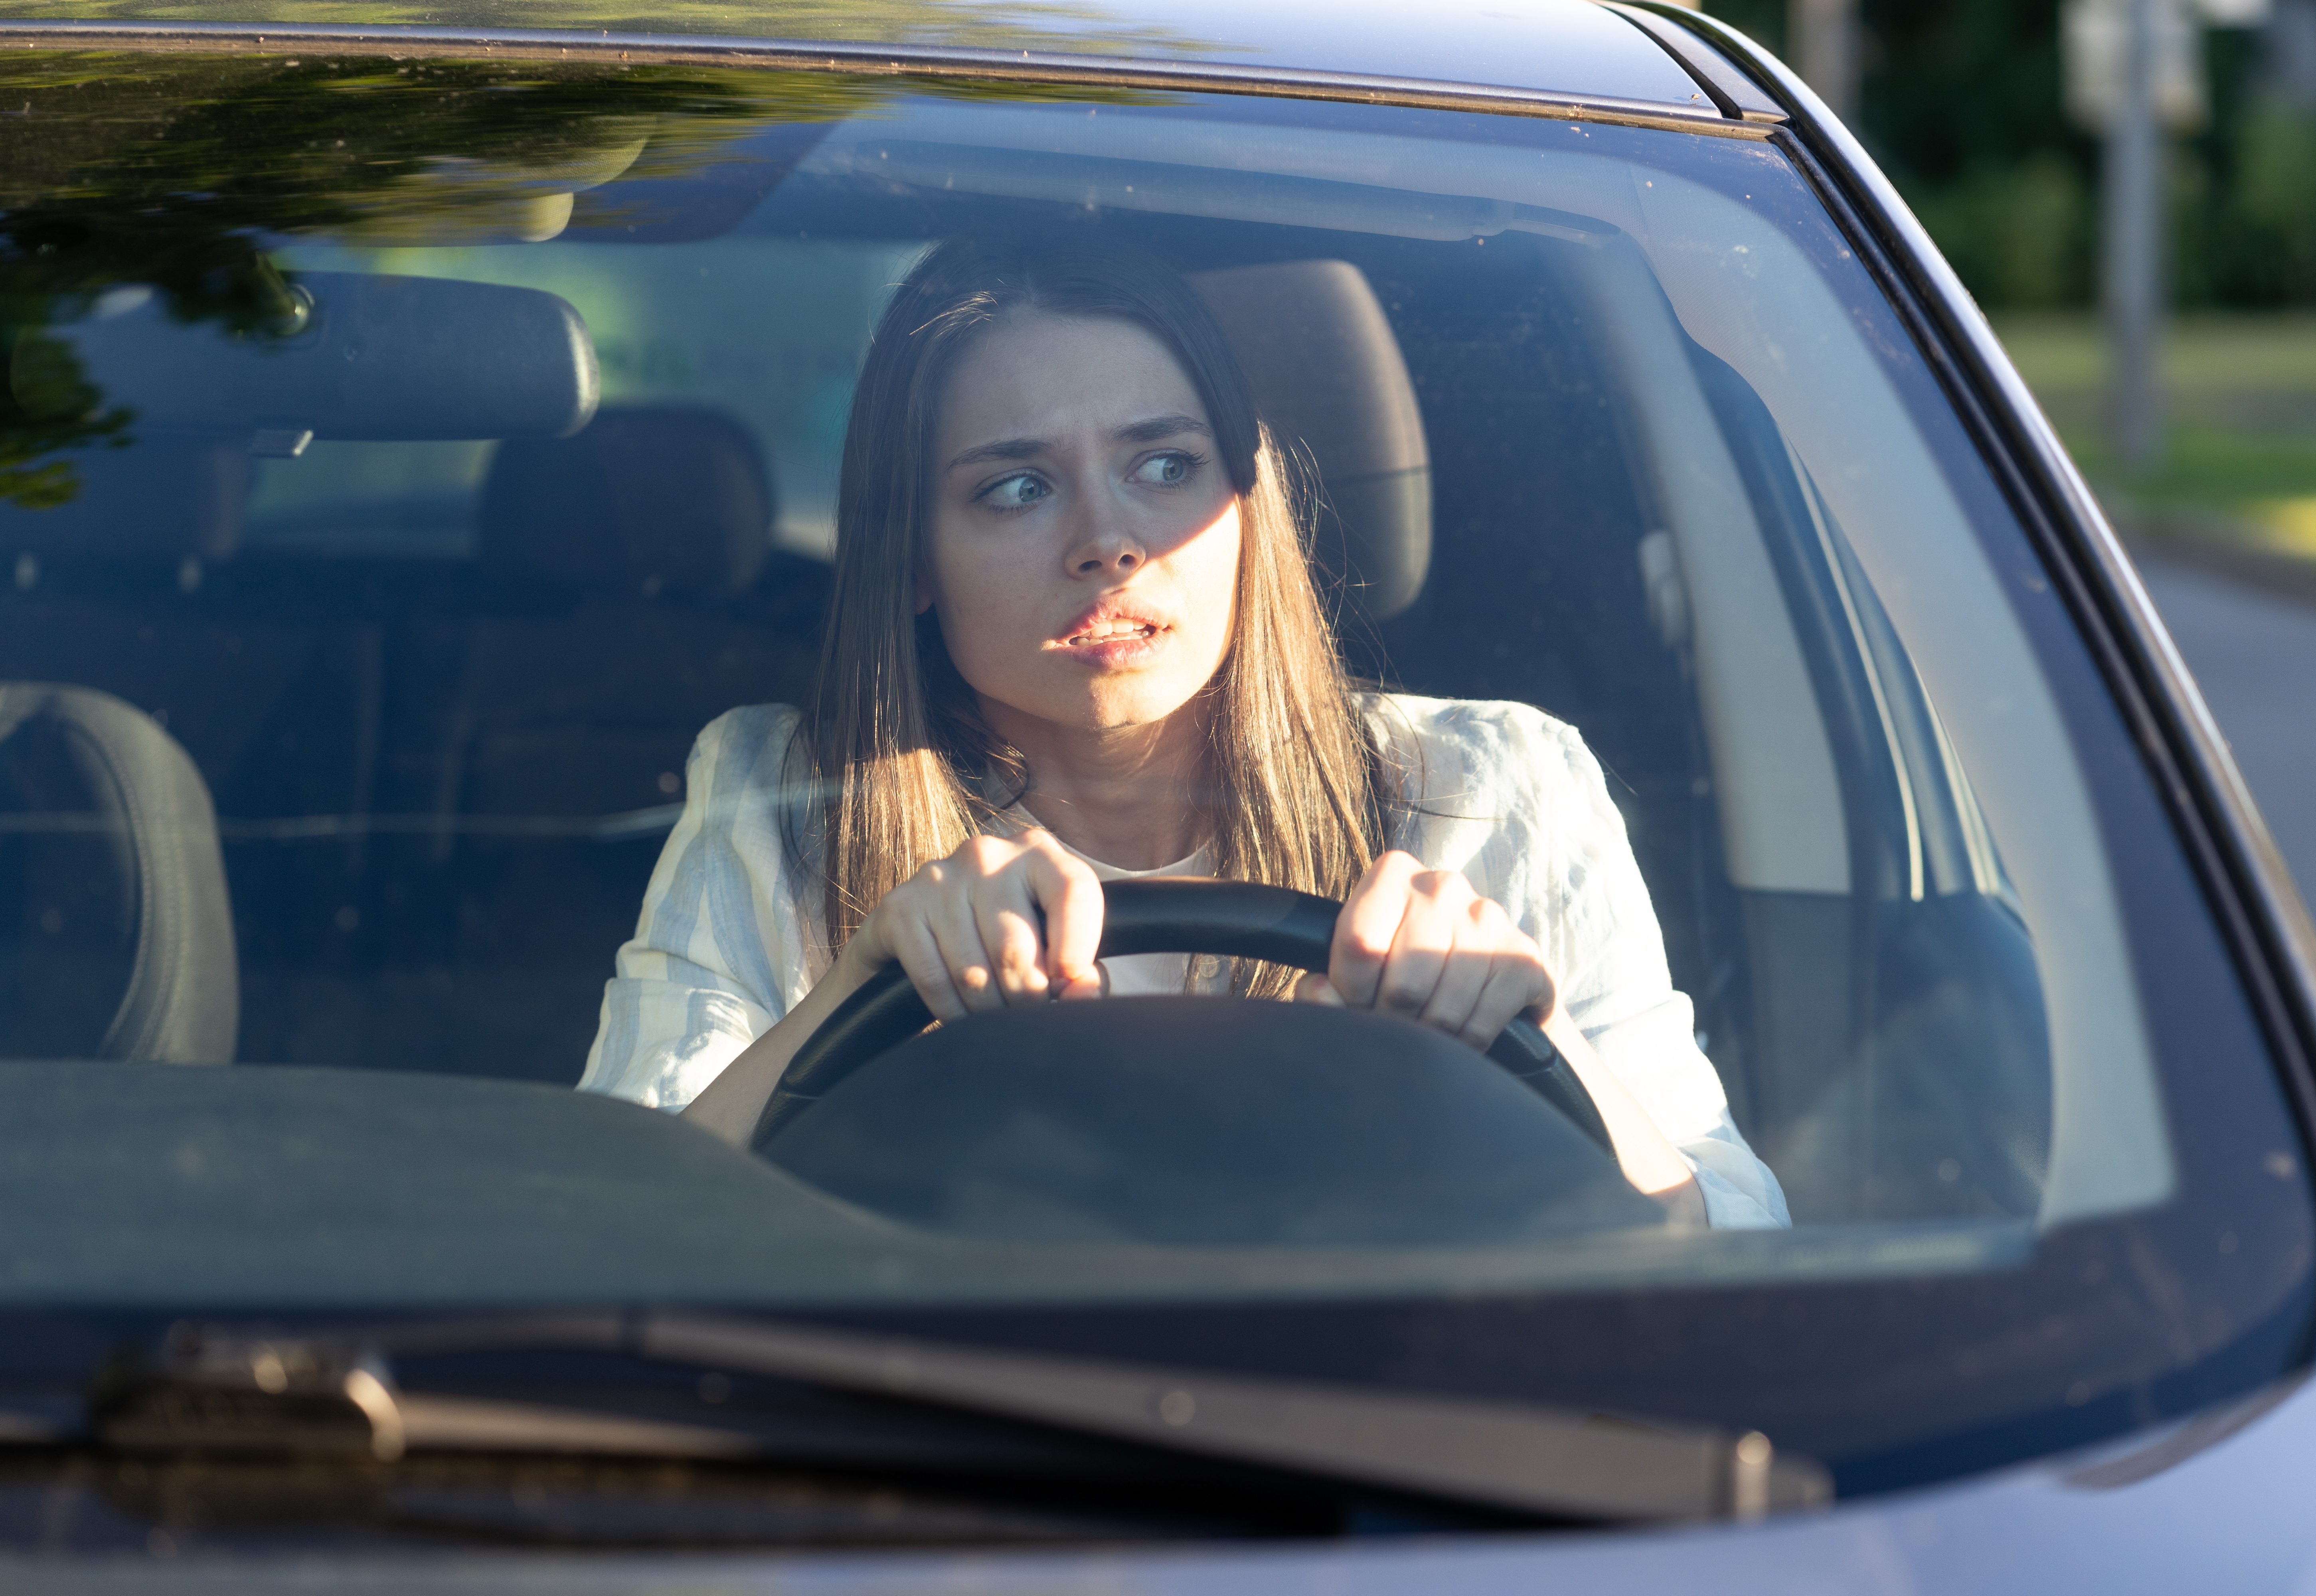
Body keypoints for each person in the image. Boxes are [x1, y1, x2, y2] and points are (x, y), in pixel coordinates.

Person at [580, 234, 1787, 1231]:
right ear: (911, 559)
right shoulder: (785, 804)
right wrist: (853, 990)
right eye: (1017, 487)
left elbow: (1732, 1238)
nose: (1110, 541)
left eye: (1166, 464)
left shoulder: (1495, 793)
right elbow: (603, 1232)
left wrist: (1539, 1041)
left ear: (1249, 512)